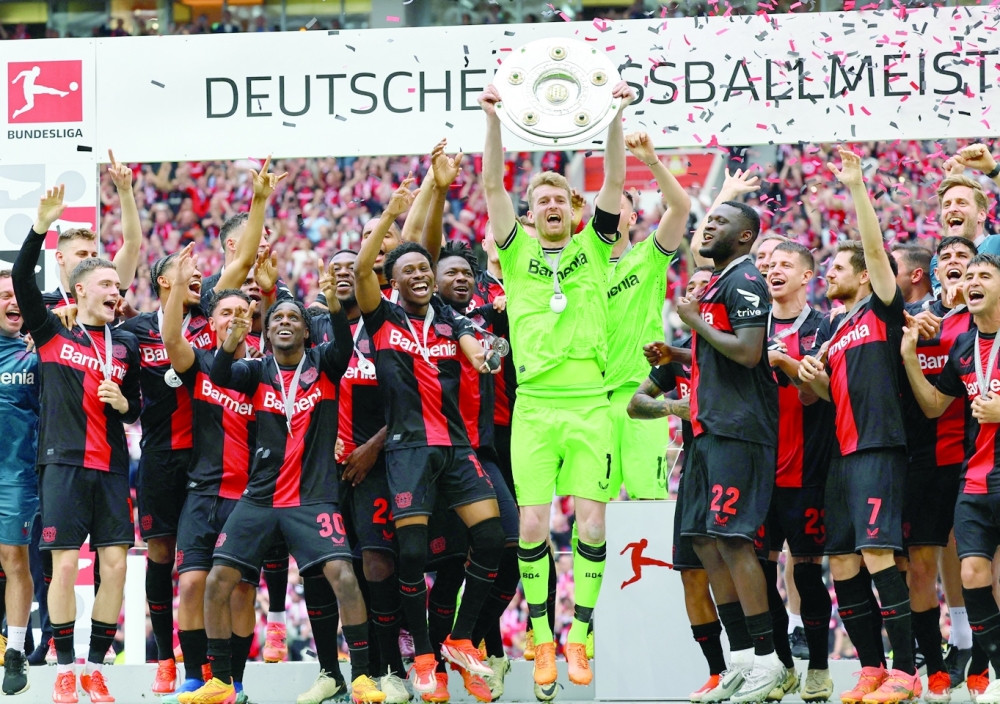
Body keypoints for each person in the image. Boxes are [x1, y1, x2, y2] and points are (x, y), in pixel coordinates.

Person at [478, 77, 635, 693]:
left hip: (591, 405)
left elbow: (615, 183)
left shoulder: (594, 249)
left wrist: (617, 114)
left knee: (593, 526)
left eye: (557, 199)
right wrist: (492, 120)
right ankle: (542, 639)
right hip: (536, 407)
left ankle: (582, 635)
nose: (548, 205)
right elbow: (493, 185)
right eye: (538, 198)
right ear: (528, 213)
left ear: (571, 212)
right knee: (533, 527)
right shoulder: (514, 255)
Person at [185, 266, 383, 704]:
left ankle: (363, 677)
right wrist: (229, 343)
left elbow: (346, 344)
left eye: (293, 318)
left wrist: (332, 304)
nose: (285, 323)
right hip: (261, 497)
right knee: (218, 580)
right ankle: (220, 681)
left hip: (313, 498)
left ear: (306, 332)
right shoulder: (255, 372)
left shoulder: (325, 366)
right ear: (267, 332)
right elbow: (219, 377)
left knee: (343, 577)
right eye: (276, 319)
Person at [355, 178, 503, 695]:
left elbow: (472, 346)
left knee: (491, 538)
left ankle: (459, 641)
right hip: (408, 450)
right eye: (408, 270)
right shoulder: (381, 319)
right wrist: (395, 210)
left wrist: (481, 354)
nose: (419, 275)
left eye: (424, 269)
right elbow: (359, 271)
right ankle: (420, 657)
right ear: (392, 281)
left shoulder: (449, 318)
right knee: (412, 558)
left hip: (458, 448)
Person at [798, 148, 919, 704]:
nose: (829, 273)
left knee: (877, 557)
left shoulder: (880, 309)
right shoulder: (835, 330)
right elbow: (825, 396)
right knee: (842, 560)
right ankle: (870, 668)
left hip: (878, 448)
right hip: (842, 457)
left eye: (838, 267)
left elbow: (873, 248)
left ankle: (905, 671)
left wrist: (855, 188)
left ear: (866, 277)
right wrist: (810, 375)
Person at [12, 186, 141, 704]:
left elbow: (137, 404)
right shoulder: (49, 332)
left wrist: (124, 405)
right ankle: (64, 666)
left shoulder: (125, 343)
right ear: (81, 290)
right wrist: (41, 226)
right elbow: (21, 280)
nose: (116, 291)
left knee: (114, 565)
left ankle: (93, 666)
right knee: (64, 566)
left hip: (111, 464)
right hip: (62, 462)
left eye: (118, 284)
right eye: (106, 284)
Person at [666, 193, 780, 703]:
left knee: (734, 541)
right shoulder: (719, 279)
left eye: (720, 222)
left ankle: (767, 659)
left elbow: (749, 351)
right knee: (706, 543)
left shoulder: (746, 279)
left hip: (740, 431)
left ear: (745, 236)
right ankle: (738, 659)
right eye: (707, 219)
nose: (707, 227)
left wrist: (693, 322)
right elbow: (717, 351)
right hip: (709, 431)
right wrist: (678, 348)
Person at [900, 252, 1000, 704]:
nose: (971, 279)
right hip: (964, 474)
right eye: (967, 273)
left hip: (988, 470)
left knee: (991, 575)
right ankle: (967, 670)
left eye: (983, 273)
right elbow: (934, 404)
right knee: (963, 570)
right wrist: (908, 357)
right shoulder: (956, 342)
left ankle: (987, 670)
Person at [632, 266, 729, 703]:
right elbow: (635, 404)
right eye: (688, 287)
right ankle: (718, 672)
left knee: (738, 569)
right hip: (694, 473)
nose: (693, 292)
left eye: (702, 288)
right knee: (691, 574)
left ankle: (757, 659)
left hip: (735, 467)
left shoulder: (734, 349)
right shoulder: (676, 362)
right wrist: (677, 407)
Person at [326, 248, 411, 704]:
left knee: (379, 564)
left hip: (376, 462)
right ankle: (351, 673)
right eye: (336, 268)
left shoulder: (387, 326)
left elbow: (409, 399)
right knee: (339, 571)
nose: (346, 275)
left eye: (354, 269)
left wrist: (371, 448)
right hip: (326, 471)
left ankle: (392, 669)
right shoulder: (321, 326)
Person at [763, 242, 835, 702]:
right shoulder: (752, 324)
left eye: (786, 265)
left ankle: (820, 669)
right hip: (758, 472)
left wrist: (786, 364)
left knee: (808, 574)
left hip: (809, 468)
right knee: (758, 572)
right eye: (770, 265)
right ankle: (783, 667)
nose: (775, 271)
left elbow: (817, 394)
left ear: (807, 276)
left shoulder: (823, 327)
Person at [604, 130, 690, 502]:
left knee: (648, 501)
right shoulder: (575, 265)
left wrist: (651, 160)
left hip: (641, 394)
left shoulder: (648, 256)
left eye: (615, 203)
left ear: (632, 216)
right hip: (587, 399)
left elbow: (681, 208)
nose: (605, 208)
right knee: (591, 508)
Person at [0, 269, 38, 695]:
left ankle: (15, 651)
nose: (14, 302)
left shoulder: (34, 354)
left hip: (15, 475)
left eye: (17, 295)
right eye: (3, 295)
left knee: (14, 559)